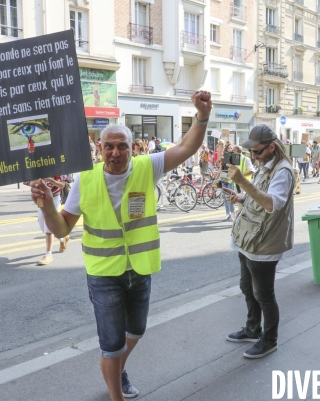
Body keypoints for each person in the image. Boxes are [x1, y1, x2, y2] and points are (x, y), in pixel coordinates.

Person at [30, 91, 211, 400]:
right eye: (109, 146)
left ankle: (114, 369)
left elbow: (186, 147)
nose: (115, 152)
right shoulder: (85, 179)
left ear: (132, 148)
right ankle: (116, 390)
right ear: (100, 149)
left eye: (122, 146)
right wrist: (47, 206)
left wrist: (202, 115)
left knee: (135, 332)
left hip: (140, 270)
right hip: (103, 274)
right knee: (111, 345)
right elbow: (62, 228)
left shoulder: (147, 166)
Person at [224, 124, 294, 359]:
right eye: (250, 152)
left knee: (264, 294)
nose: (253, 156)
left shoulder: (283, 170)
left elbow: (271, 204)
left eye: (257, 152)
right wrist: (241, 197)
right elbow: (258, 194)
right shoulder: (265, 165)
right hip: (248, 237)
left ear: (271, 147)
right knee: (247, 287)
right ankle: (253, 328)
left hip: (265, 242)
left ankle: (270, 340)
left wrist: (243, 182)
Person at [24, 176, 69, 265]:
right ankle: (62, 238)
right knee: (43, 226)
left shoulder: (56, 167)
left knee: (48, 227)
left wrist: (50, 180)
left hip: (54, 198)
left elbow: (62, 185)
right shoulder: (36, 168)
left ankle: (48, 254)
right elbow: (26, 180)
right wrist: (33, 183)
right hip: (41, 197)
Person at [218, 142, 236, 221]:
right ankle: (227, 213)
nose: (230, 149)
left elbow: (235, 167)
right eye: (229, 148)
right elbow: (221, 168)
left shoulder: (234, 157)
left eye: (231, 148)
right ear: (226, 149)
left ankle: (233, 213)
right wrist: (217, 178)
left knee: (230, 196)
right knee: (225, 197)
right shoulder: (223, 157)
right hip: (224, 176)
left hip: (230, 176)